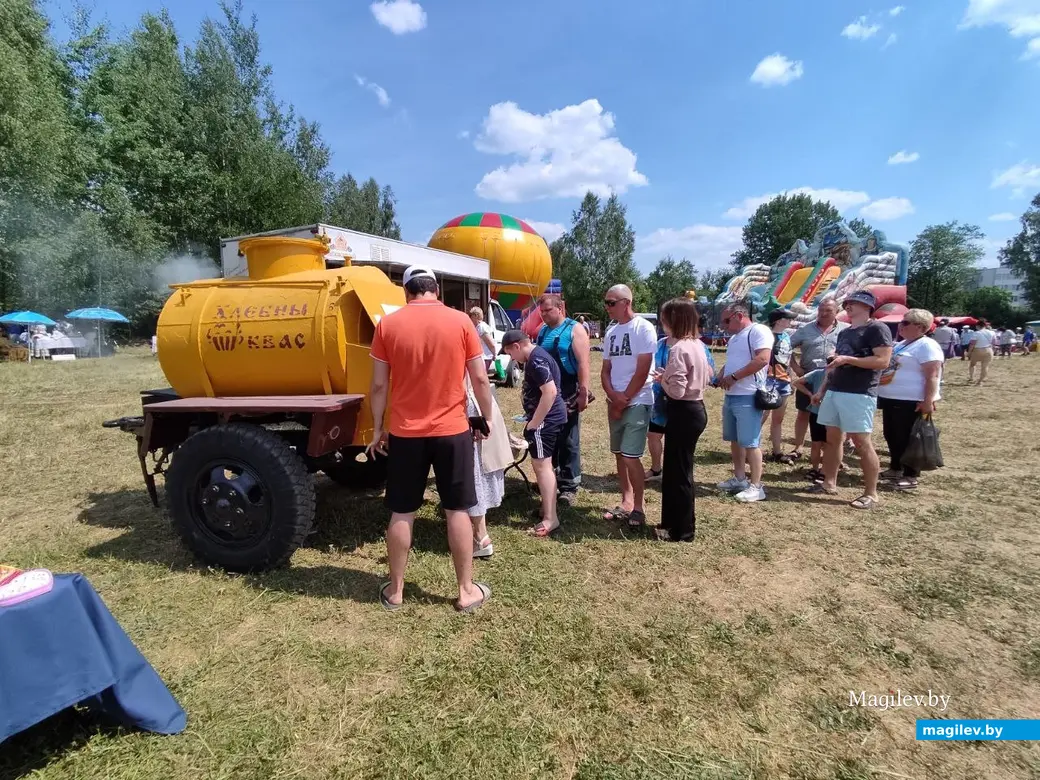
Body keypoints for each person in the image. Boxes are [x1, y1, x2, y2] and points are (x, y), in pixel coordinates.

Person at [368, 265, 494, 613]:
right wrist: (487, 417)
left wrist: (378, 428)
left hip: (406, 432)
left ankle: (395, 591)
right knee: (456, 509)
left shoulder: (388, 325)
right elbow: (480, 380)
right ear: (435, 289)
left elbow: (379, 385)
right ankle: (466, 591)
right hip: (452, 431)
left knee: (402, 511)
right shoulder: (461, 322)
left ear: (406, 291)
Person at [812, 290, 893, 509]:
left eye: (854, 303)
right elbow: (836, 365)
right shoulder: (845, 332)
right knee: (832, 439)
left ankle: (871, 493)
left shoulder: (877, 328)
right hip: (836, 390)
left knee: (861, 442)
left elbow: (883, 361)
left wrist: (849, 359)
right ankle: (829, 482)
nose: (848, 306)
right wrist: (823, 388)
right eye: (847, 303)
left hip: (860, 393)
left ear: (868, 307)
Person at [655, 298, 712, 542]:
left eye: (664, 318)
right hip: (695, 409)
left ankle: (681, 530)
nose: (662, 322)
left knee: (678, 474)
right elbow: (707, 375)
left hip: (682, 410)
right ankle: (674, 523)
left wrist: (663, 380)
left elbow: (676, 391)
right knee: (679, 470)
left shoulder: (678, 349)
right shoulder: (698, 345)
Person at [502, 330, 569, 537]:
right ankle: (546, 508)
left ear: (517, 346)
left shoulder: (536, 360)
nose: (512, 358)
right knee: (545, 466)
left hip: (545, 421)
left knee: (542, 467)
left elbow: (550, 392)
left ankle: (550, 518)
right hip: (551, 418)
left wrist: (534, 423)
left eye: (510, 353)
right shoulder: (538, 355)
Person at [600, 284, 657, 527]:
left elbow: (643, 369)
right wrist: (613, 396)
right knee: (619, 454)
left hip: (638, 400)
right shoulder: (611, 332)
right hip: (616, 402)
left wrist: (624, 399)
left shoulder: (643, 328)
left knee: (631, 456)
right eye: (606, 302)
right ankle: (626, 500)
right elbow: (605, 370)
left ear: (626, 302)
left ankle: (638, 507)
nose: (607, 307)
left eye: (611, 302)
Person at [534, 294, 592, 506]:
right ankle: (552, 477)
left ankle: (569, 485)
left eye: (548, 310)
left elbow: (584, 363)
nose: (544, 314)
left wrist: (583, 393)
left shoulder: (574, 329)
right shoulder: (543, 331)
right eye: (542, 311)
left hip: (568, 388)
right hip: (548, 389)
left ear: (560, 308)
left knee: (568, 436)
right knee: (550, 433)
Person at [876, 308, 943, 491]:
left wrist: (928, 400)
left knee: (907, 438)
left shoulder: (927, 345)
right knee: (892, 434)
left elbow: (933, 375)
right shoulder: (904, 343)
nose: (900, 326)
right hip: (891, 397)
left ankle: (910, 475)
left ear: (920, 327)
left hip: (911, 400)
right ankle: (896, 467)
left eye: (905, 323)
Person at [716, 302, 774, 503]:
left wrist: (733, 378)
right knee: (735, 439)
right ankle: (740, 478)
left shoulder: (759, 331)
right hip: (732, 395)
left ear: (738, 315)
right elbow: (733, 361)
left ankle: (757, 486)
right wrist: (721, 375)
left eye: (726, 320)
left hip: (748, 394)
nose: (723, 325)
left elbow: (762, 359)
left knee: (751, 442)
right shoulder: (734, 338)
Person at [788, 298, 847, 460]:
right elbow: (786, 347)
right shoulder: (805, 330)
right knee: (803, 414)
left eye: (828, 310)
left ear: (837, 311)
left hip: (835, 380)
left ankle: (832, 453)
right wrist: (796, 367)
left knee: (835, 418)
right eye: (821, 310)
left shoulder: (846, 330)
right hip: (809, 378)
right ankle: (798, 447)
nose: (823, 313)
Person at [465, 377, 512, 558]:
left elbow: (478, 380)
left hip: (472, 408)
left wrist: (486, 417)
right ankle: (479, 533)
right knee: (476, 471)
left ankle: (479, 536)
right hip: (479, 404)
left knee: (474, 472)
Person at [762, 308, 796, 464]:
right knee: (761, 417)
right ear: (778, 320)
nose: (790, 321)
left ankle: (777, 451)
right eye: (787, 318)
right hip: (769, 380)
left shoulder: (787, 337)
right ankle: (754, 450)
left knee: (778, 419)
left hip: (784, 381)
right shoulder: (767, 337)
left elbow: (788, 359)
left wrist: (791, 378)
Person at [789, 367, 829, 482]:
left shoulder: (840, 376)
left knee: (829, 445)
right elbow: (797, 382)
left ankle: (825, 470)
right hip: (817, 412)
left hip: (831, 415)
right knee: (816, 443)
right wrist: (810, 394)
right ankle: (815, 469)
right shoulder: (818, 373)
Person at [967, 320, 996, 384]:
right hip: (988, 349)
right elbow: (994, 343)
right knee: (985, 366)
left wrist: (969, 352)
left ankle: (971, 377)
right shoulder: (992, 332)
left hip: (978, 350)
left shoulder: (976, 333)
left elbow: (972, 344)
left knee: (972, 364)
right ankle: (980, 380)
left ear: (978, 326)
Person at [469, 307, 497, 372]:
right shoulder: (477, 327)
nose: (470, 318)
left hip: (485, 357)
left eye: (471, 316)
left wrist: (494, 354)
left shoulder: (482, 327)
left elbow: (490, 343)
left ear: (476, 316)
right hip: (481, 357)